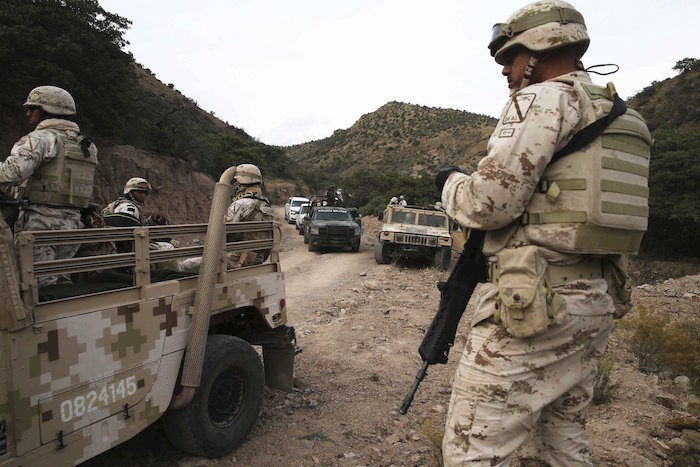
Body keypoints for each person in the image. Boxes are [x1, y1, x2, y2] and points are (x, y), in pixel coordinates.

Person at [436, 1, 651, 465]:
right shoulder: (623, 117)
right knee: (562, 441)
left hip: (535, 307)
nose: (505, 70)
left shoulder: (543, 99)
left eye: (510, 57)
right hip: (594, 301)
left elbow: (488, 203)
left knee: (473, 448)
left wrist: (450, 182)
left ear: (537, 50)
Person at [0, 85, 98, 286]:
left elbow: (12, 173)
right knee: (61, 284)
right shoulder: (86, 145)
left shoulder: (41, 138)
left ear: (46, 110)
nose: (28, 113)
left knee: (37, 288)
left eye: (32, 108)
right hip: (72, 225)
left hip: (40, 224)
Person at [225, 164, 274, 268]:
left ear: (242, 182)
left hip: (237, 257)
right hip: (258, 257)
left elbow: (224, 232)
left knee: (190, 265)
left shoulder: (241, 204)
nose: (235, 184)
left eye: (236, 181)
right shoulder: (264, 203)